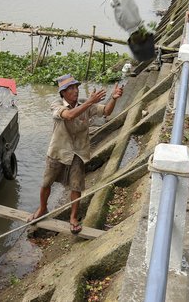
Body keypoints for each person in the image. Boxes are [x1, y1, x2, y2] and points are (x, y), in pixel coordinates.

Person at [29, 74, 123, 235]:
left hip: (78, 152)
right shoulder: (57, 105)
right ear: (63, 93)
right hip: (58, 150)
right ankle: (42, 208)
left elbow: (106, 111)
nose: (75, 91)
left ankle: (73, 217)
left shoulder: (85, 104)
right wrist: (90, 102)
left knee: (76, 186)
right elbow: (69, 115)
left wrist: (113, 98)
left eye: (76, 87)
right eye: (71, 88)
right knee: (46, 183)